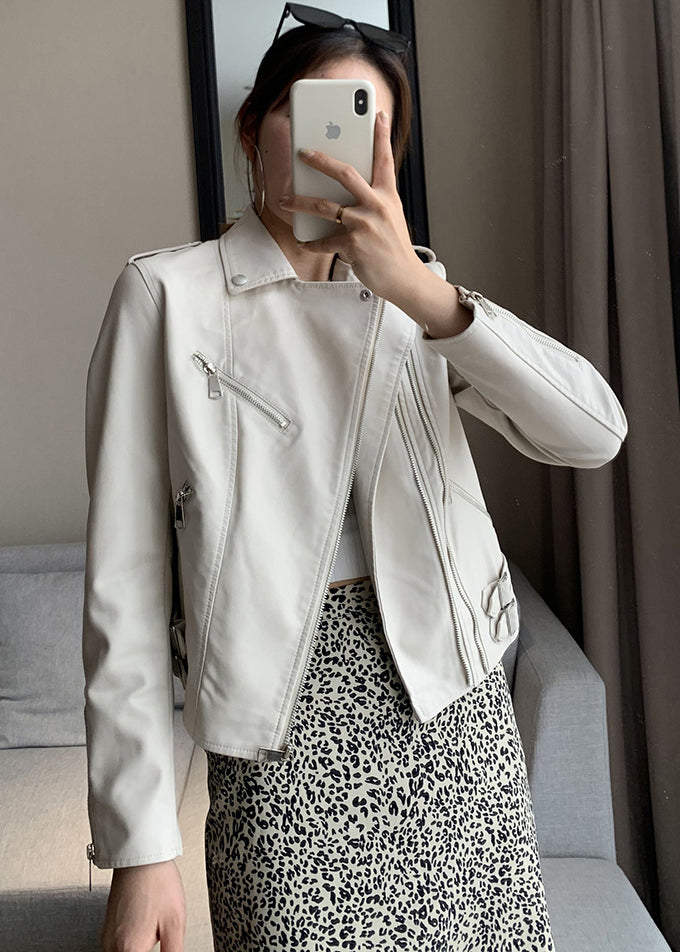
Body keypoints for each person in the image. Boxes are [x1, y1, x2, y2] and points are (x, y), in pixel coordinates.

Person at [82, 8, 628, 952]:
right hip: (281, 740)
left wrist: (419, 290)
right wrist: (140, 849)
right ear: (253, 130)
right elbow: (124, 588)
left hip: (455, 721)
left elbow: (594, 433)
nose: (336, 146)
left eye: (364, 122)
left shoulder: (417, 297)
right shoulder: (167, 297)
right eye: (314, 112)